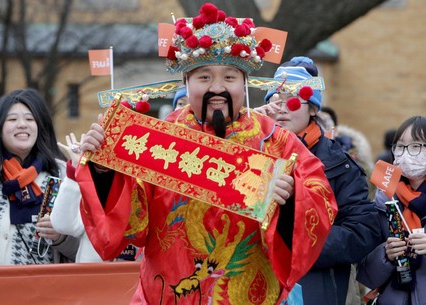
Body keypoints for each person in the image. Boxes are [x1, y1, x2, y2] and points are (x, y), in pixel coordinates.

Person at [72, 3, 337, 304]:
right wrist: (105, 169)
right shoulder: (158, 141)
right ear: (185, 83)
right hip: (170, 293)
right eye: (204, 78)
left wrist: (290, 199)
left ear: (244, 84)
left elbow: (320, 197)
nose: (217, 88)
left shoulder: (277, 141)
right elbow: (131, 226)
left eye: (229, 78)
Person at [255, 56, 381, 305]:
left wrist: (300, 243)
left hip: (315, 287)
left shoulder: (339, 164)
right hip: (253, 282)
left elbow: (362, 231)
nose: (280, 108)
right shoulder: (250, 152)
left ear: (313, 109)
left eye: (291, 102)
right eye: (273, 101)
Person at [0, 88, 78, 265]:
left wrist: (60, 237)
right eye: (12, 119)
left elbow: (83, 245)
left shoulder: (62, 175)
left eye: (30, 119)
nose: (22, 124)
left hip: (42, 289)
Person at [357, 115, 426, 305]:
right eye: (401, 146)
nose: (406, 153)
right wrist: (385, 255)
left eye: (416, 146)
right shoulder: (384, 200)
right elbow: (364, 274)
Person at [50, 132, 137, 263]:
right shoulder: (92, 182)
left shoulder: (143, 185)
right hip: (93, 278)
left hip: (138, 277)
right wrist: (75, 169)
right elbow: (63, 225)